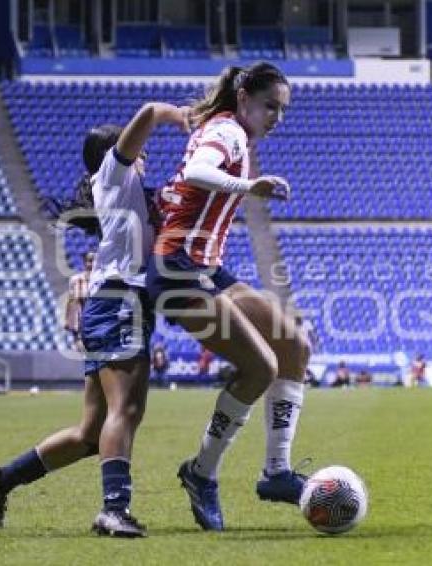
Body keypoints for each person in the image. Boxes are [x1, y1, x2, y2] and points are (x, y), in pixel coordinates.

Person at [0, 100, 190, 538]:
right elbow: (147, 113)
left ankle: (4, 479)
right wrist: (179, 116)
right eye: (141, 152)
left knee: (91, 434)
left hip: (115, 305)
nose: (145, 158)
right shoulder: (113, 173)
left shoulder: (128, 193)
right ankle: (114, 509)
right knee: (125, 410)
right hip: (118, 304)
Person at [145, 62, 310, 531]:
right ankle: (201, 474)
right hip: (177, 270)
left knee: (294, 342)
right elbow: (198, 171)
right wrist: (249, 186)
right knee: (261, 367)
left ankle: (276, 472)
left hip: (206, 267)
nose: (276, 116)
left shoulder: (232, 132)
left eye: (282, 109)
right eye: (269, 106)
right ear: (244, 99)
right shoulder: (228, 132)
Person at [65, 251, 95, 351]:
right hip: (80, 319)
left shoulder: (101, 280)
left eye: (94, 261)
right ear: (84, 262)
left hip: (95, 319)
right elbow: (71, 300)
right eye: (89, 261)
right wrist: (68, 321)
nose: (92, 264)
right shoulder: (75, 279)